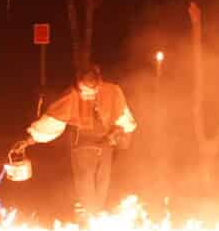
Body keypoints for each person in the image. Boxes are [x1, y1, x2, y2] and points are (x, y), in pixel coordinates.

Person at [13, 64, 137, 221]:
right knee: (85, 181)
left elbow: (124, 118)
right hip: (82, 146)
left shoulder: (113, 91)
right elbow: (52, 122)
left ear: (99, 85)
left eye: (90, 92)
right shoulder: (71, 96)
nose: (86, 95)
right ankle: (89, 215)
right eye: (83, 91)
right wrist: (29, 140)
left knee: (103, 182)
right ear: (78, 84)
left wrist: (120, 133)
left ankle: (96, 215)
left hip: (106, 144)